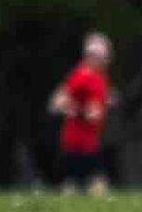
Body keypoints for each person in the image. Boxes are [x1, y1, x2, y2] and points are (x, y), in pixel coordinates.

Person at [48, 34, 114, 195]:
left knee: (87, 181)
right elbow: (56, 102)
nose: (104, 61)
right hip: (77, 139)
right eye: (101, 57)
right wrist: (80, 111)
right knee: (90, 181)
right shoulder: (81, 75)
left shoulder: (99, 77)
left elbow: (96, 98)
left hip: (90, 139)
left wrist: (106, 100)